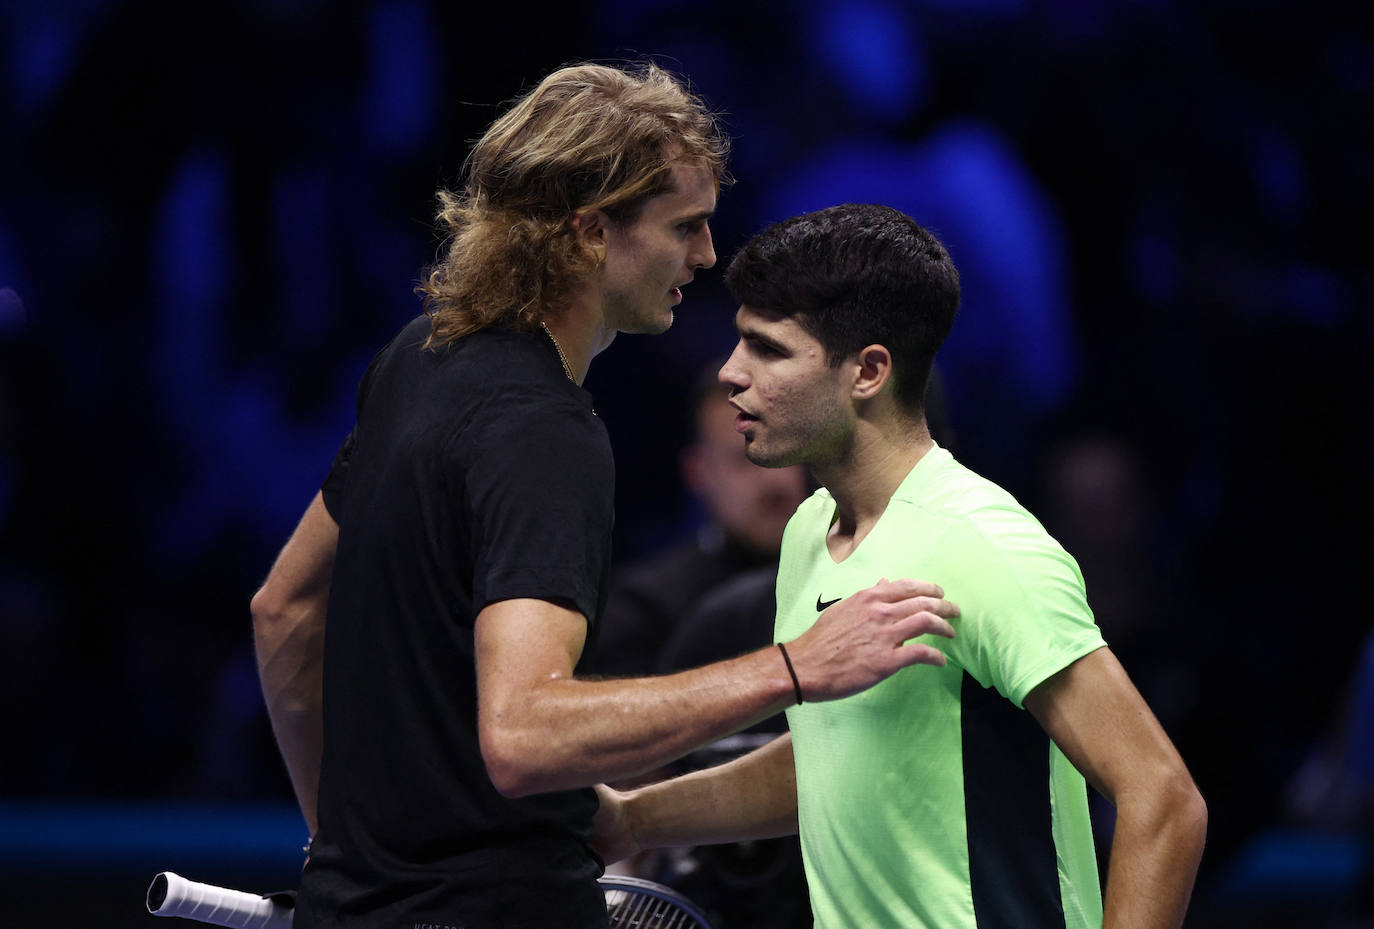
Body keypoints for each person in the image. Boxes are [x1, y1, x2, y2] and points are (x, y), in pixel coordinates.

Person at [250, 67, 959, 929]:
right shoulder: (545, 431)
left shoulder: (418, 354)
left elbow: (283, 612)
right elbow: (524, 735)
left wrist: (347, 857)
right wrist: (795, 667)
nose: (705, 255)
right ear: (589, 233)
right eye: (684, 227)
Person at [594, 203, 1208, 929]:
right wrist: (634, 818)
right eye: (739, 342)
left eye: (769, 349)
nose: (731, 373)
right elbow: (836, 761)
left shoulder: (984, 543)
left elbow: (1162, 797)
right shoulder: (809, 531)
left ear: (869, 371)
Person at [583, 358, 809, 679]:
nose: (776, 481)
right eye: (744, 459)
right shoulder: (646, 612)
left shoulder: (853, 577)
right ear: (698, 473)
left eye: (785, 451)